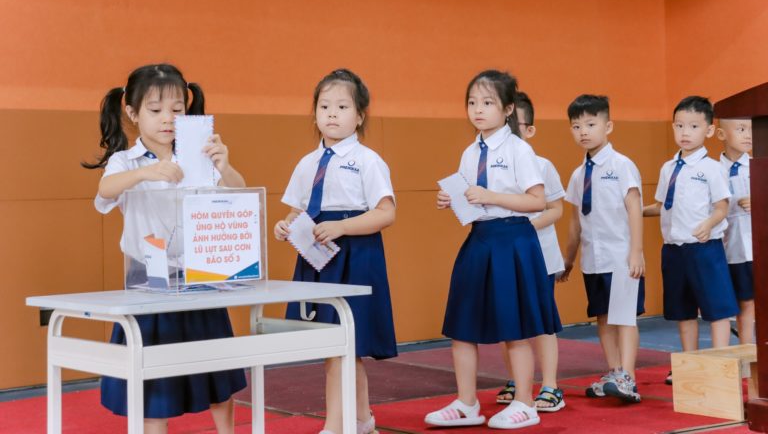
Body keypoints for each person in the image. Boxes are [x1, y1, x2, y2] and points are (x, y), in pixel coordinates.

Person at [84, 63, 247, 434]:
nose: (167, 119)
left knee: (216, 372)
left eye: (176, 110)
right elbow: (105, 192)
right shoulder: (124, 162)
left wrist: (226, 164)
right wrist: (145, 172)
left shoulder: (200, 155)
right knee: (153, 379)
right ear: (132, 113)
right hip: (149, 282)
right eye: (155, 110)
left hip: (201, 279)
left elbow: (239, 195)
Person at [425, 70, 560, 430]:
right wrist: (451, 199)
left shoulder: (519, 149)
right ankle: (467, 403)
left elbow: (538, 201)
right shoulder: (470, 151)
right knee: (462, 325)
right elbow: (472, 200)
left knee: (515, 327)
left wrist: (490, 196)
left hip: (513, 240)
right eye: (472, 103)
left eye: (487, 103)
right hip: (480, 239)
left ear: (508, 109)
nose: (478, 110)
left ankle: (525, 402)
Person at [273, 69, 397, 434]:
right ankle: (361, 420)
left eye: (342, 106)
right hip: (317, 258)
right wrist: (285, 226)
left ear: (359, 115)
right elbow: (297, 212)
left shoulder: (368, 160)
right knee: (337, 347)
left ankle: (335, 426)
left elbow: (386, 212)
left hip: (355, 256)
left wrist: (343, 226)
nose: (331, 113)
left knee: (345, 345)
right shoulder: (306, 163)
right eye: (324, 106)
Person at [644, 96, 738, 384]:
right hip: (674, 249)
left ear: (709, 131)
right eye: (680, 126)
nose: (685, 132)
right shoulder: (667, 168)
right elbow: (661, 206)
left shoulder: (711, 168)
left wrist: (708, 224)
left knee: (717, 309)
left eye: (694, 126)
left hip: (704, 248)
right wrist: (633, 211)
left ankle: (721, 364)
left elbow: (723, 206)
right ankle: (689, 363)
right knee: (682, 310)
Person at [561, 94, 645, 403]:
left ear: (608, 126)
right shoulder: (577, 174)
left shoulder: (622, 165)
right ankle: (614, 371)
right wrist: (568, 259)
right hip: (592, 260)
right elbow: (574, 222)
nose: (583, 131)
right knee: (603, 318)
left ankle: (629, 377)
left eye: (591, 124)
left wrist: (635, 252)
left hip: (621, 256)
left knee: (624, 318)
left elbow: (634, 208)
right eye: (576, 126)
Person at [495, 91, 566, 413]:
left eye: (515, 125)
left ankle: (550, 385)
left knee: (542, 322)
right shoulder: (491, 165)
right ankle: (516, 380)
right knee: (509, 319)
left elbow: (555, 209)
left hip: (538, 255)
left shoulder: (541, 165)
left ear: (530, 130)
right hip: (505, 254)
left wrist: (522, 228)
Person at [717, 118, 754, 344]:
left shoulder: (760, 166)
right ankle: (747, 353)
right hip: (730, 249)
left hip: (757, 246)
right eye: (741, 129)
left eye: (751, 129)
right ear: (721, 135)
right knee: (744, 303)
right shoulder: (713, 170)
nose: (748, 135)